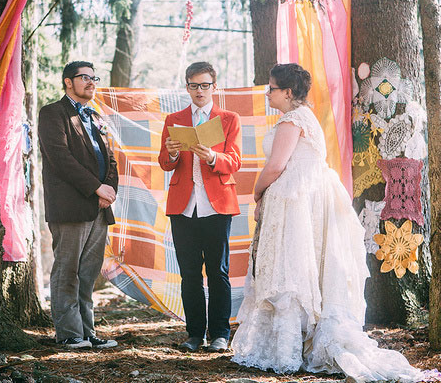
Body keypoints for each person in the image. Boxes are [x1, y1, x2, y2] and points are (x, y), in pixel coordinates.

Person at [231, 63, 422, 382]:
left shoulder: (292, 120)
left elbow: (276, 165)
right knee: (300, 270)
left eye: (272, 88)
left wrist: (256, 192)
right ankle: (294, 343)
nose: (268, 93)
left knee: (289, 271)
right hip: (306, 198)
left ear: (287, 93)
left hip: (294, 201)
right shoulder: (305, 119)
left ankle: (287, 349)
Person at [158, 62, 242, 352]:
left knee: (218, 272)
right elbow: (164, 163)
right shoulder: (174, 119)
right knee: (189, 274)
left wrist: (211, 157)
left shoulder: (229, 119)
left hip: (217, 205)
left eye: (205, 85)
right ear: (187, 87)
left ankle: (220, 334)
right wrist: (170, 154)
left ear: (214, 87)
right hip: (183, 207)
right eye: (193, 85)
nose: (199, 90)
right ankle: (194, 334)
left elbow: (234, 162)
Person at [39, 61, 119, 350]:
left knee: (87, 273)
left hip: (99, 207)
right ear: (68, 82)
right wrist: (95, 187)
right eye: (84, 77)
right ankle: (69, 333)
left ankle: (87, 331)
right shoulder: (52, 113)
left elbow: (110, 158)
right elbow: (60, 158)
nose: (91, 82)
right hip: (70, 206)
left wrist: (108, 191)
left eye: (93, 77)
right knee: (67, 270)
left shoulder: (96, 116)